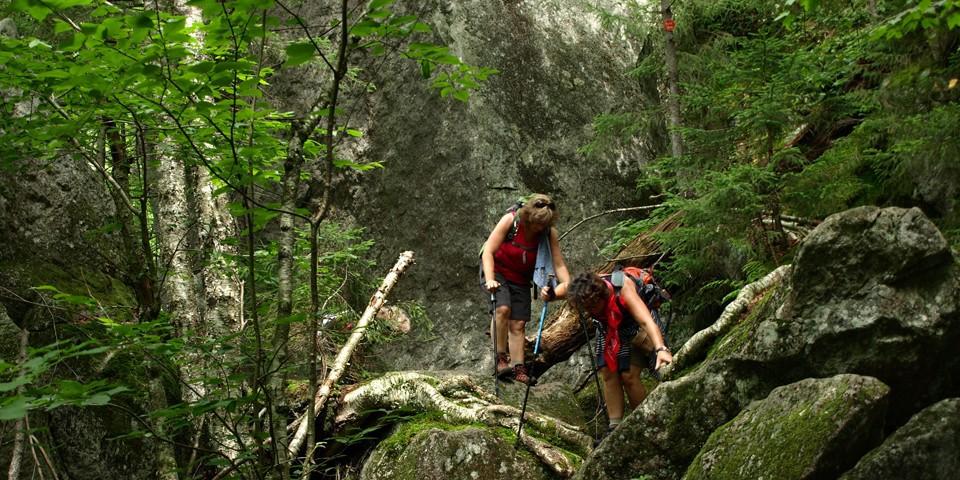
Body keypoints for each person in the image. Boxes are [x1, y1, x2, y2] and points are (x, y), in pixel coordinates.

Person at [568, 271, 673, 435]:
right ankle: (614, 427)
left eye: (591, 307)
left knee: (629, 374)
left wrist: (661, 349)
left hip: (635, 325)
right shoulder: (582, 292)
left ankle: (647, 423)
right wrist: (551, 293)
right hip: (609, 329)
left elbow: (646, 320)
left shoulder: (622, 287)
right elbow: (563, 290)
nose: (589, 311)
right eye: (585, 308)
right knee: (607, 372)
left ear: (601, 297)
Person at [481, 194, 571, 384]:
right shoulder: (511, 220)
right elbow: (488, 250)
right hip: (496, 271)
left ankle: (518, 367)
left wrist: (567, 285)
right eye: (535, 224)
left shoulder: (548, 233)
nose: (538, 229)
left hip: (520, 278)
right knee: (502, 309)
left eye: (543, 226)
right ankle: (500, 359)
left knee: (519, 324)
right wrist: (489, 279)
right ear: (528, 216)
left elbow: (558, 264)